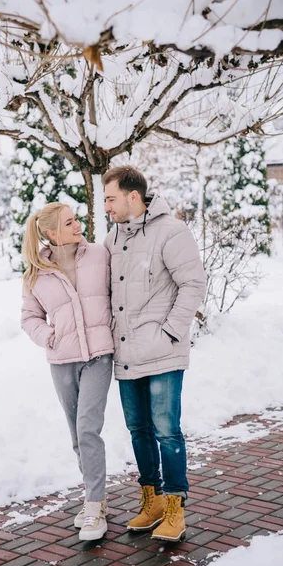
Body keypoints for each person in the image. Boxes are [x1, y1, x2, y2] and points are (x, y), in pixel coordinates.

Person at [103, 166, 206, 542]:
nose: (107, 206)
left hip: (162, 353)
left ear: (134, 196)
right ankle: (153, 502)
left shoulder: (171, 231)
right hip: (127, 353)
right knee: (138, 431)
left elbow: (194, 284)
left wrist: (171, 331)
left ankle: (176, 509)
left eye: (111, 198)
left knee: (166, 431)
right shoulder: (113, 237)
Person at [21, 202, 114, 541]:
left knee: (88, 428)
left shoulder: (99, 255)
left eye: (76, 219)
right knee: (76, 435)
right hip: (61, 361)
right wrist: (48, 336)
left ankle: (95, 504)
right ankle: (93, 497)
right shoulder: (35, 272)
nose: (78, 225)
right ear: (50, 233)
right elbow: (29, 318)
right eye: (70, 222)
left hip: (98, 357)